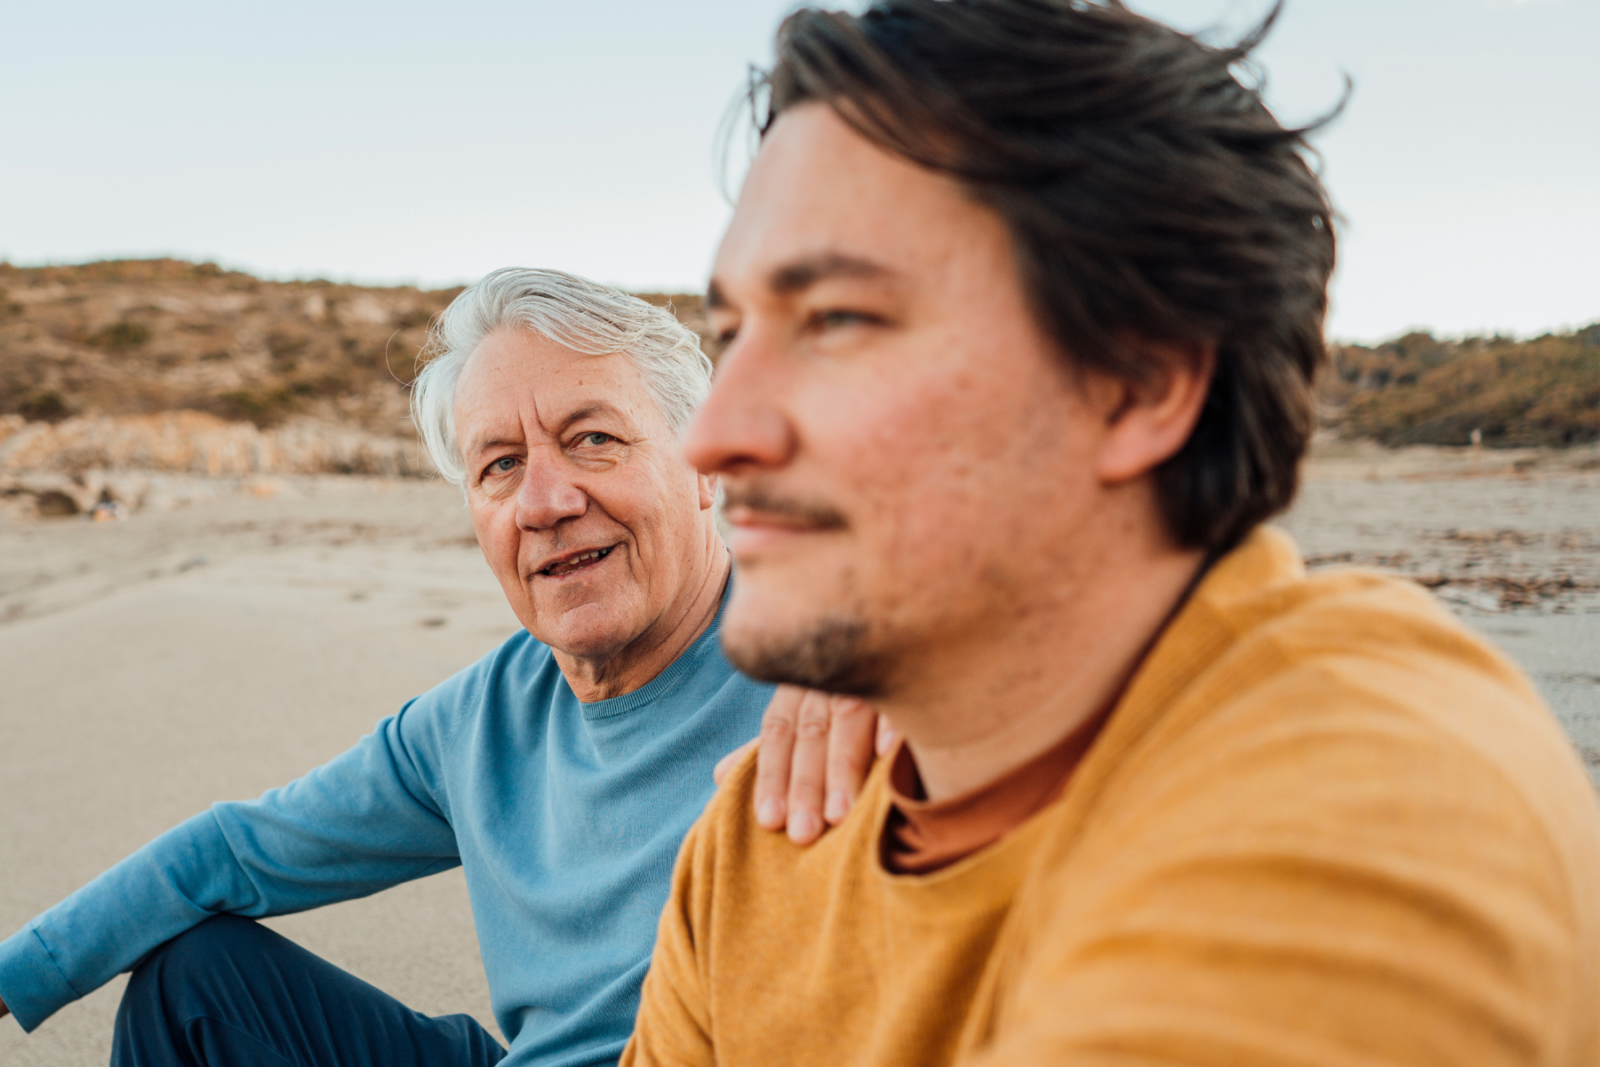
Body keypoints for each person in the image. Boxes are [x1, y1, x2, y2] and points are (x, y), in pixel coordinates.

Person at [621, 3, 1600, 1066]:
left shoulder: (1364, 809)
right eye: (730, 334)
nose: (711, 437)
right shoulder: (755, 844)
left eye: (839, 319)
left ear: (1139, 384)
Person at [0, 268, 881, 1067]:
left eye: (594, 439)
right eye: (501, 465)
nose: (546, 501)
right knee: (198, 982)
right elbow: (234, 851)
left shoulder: (842, 657)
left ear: (705, 469)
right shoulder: (475, 726)